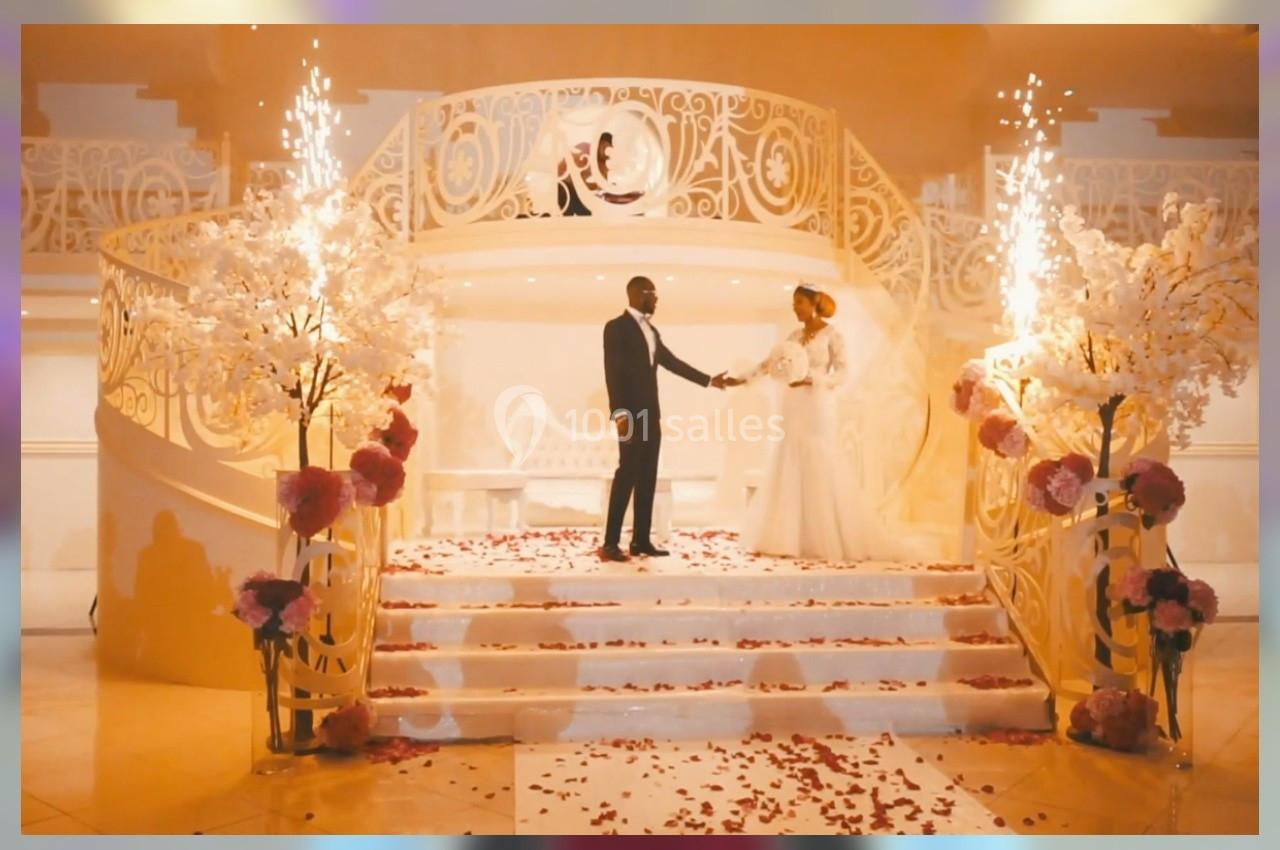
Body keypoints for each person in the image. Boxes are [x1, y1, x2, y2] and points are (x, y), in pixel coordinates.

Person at [726, 283, 914, 562]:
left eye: (798, 302)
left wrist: (813, 379)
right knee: (790, 460)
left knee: (817, 459)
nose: (795, 308)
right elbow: (770, 363)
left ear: (813, 304)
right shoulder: (794, 335)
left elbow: (842, 373)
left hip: (816, 405)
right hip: (792, 406)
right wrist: (743, 378)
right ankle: (790, 535)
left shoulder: (832, 335)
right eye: (793, 303)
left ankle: (824, 535)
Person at [601, 276, 732, 561]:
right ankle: (610, 542)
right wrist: (619, 413)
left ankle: (641, 541)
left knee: (648, 475)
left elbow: (672, 363)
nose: (657, 300)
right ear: (638, 294)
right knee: (627, 474)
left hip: (651, 413)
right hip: (630, 415)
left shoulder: (652, 331)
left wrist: (710, 380)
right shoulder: (616, 328)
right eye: (653, 294)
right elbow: (612, 371)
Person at [558, 132, 644, 216]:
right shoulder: (586, 149)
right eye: (603, 147)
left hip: (581, 194)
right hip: (565, 185)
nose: (606, 151)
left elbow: (600, 186)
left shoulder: (604, 163)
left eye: (609, 148)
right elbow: (579, 178)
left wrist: (613, 189)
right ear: (598, 144)